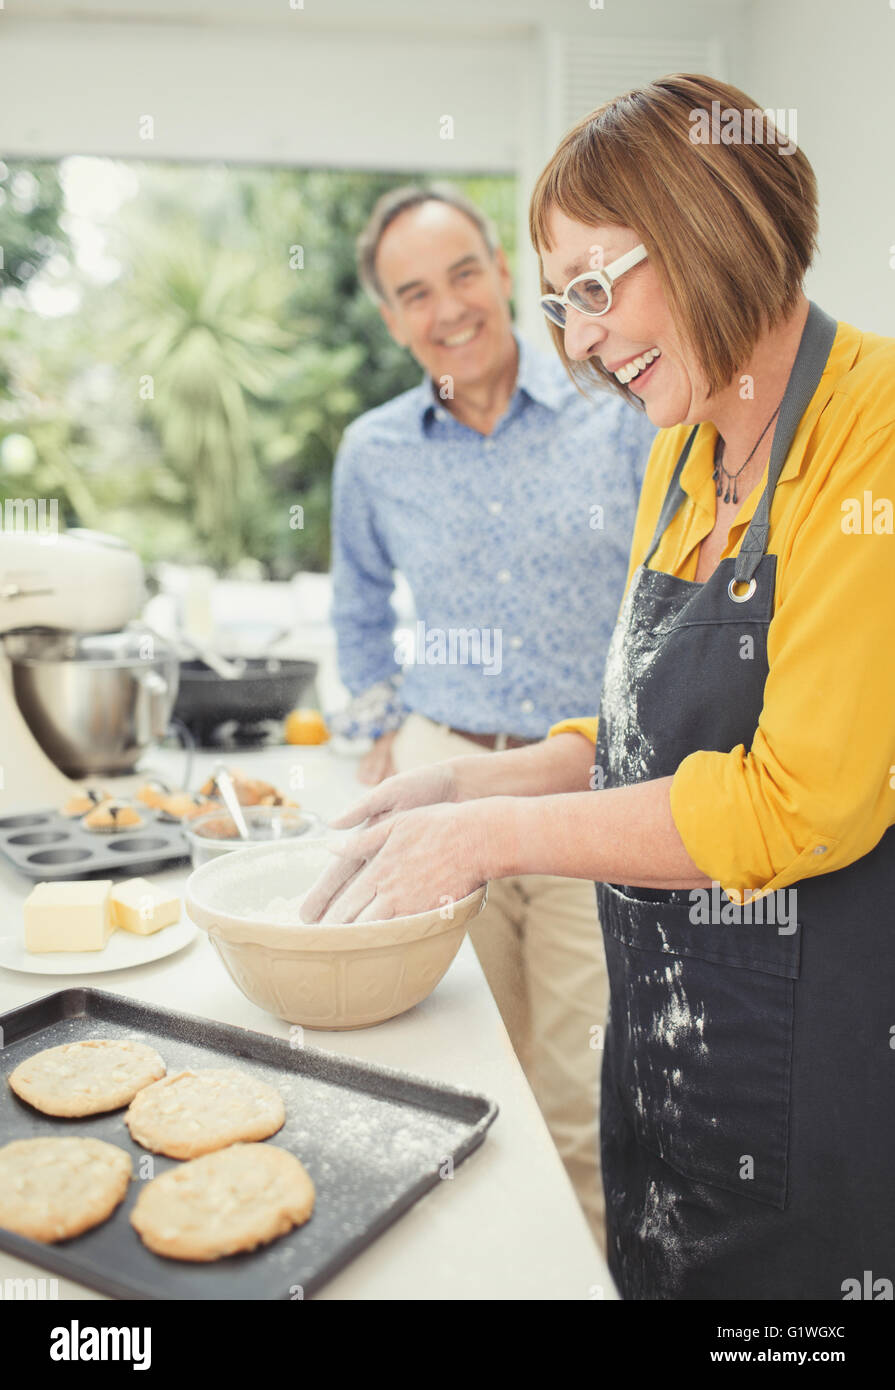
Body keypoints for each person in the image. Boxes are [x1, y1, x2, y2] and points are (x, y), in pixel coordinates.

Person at [304, 75, 895, 1300]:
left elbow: (802, 801)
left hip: (812, 1083)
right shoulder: (684, 445)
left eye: (591, 287)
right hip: (673, 1064)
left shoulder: (872, 430)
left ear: (706, 225)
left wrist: (493, 834)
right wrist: (463, 780)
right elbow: (638, 725)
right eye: (560, 298)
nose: (575, 341)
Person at [327, 183, 656, 1252]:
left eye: (465, 272)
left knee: (579, 1089)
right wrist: (379, 730)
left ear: (505, 276)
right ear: (387, 316)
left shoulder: (619, 413)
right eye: (412, 292)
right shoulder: (372, 451)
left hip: (579, 793)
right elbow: (357, 602)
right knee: (448, 1075)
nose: (447, 307)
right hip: (437, 781)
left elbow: (670, 593)